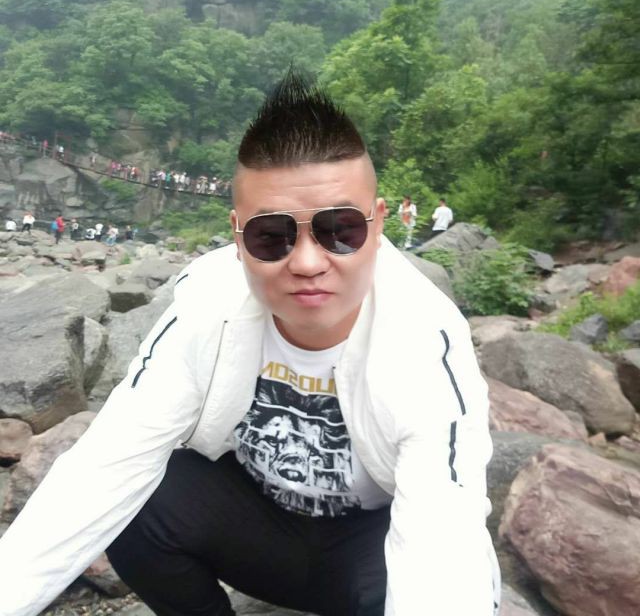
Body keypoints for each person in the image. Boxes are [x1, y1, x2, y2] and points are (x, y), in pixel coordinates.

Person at [0, 73, 499, 616]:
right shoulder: (205, 308)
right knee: (138, 500)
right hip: (257, 531)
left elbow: (442, 535)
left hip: (369, 558)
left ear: (378, 225)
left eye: (340, 230)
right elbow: (107, 463)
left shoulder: (423, 340)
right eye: (272, 236)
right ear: (238, 236)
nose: (307, 262)